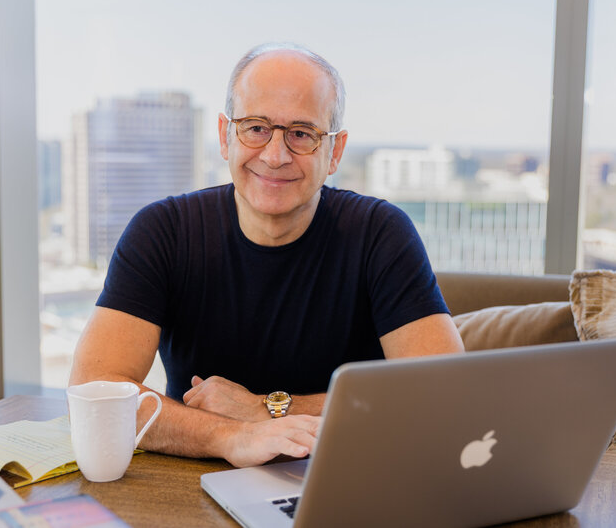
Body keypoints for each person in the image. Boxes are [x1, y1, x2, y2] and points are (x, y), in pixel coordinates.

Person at [69, 43, 464, 468]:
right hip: (192, 480)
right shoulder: (164, 231)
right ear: (225, 136)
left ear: (335, 151)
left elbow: (444, 394)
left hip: (345, 479)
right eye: (255, 128)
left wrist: (268, 410)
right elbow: (96, 391)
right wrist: (232, 436)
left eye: (301, 134)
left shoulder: (379, 232)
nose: (275, 156)